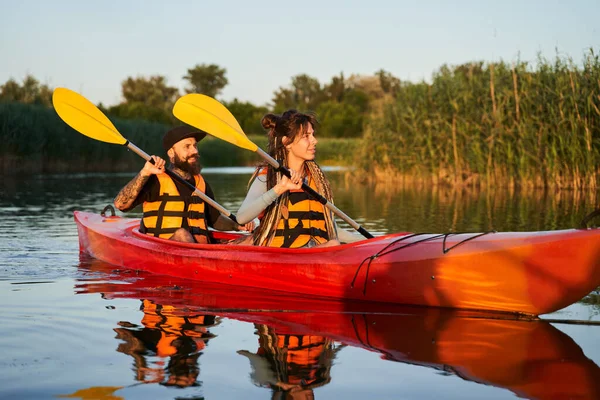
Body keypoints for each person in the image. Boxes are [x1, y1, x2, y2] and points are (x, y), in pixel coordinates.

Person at [235, 110, 362, 248]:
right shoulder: (268, 177)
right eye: (306, 136)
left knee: (334, 243)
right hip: (281, 254)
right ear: (287, 142)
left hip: (318, 250)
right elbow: (241, 217)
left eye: (312, 134)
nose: (314, 140)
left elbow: (331, 229)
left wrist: (367, 243)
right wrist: (280, 189)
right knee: (333, 245)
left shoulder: (317, 181)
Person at [114, 125, 252, 243]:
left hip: (201, 250)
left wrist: (236, 225)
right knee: (182, 234)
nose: (195, 151)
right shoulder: (155, 180)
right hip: (164, 248)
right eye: (187, 147)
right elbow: (120, 204)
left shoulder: (201, 184)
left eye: (195, 146)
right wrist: (144, 173)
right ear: (171, 153)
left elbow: (214, 220)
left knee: (253, 240)